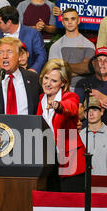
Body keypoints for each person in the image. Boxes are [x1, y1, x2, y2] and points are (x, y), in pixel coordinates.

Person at [36, 58, 86, 192]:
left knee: (73, 204)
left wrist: (59, 106)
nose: (48, 83)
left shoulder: (70, 96)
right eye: (46, 78)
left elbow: (71, 108)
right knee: (52, 204)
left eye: (54, 81)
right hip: (48, 162)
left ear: (63, 83)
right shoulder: (41, 99)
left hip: (71, 160)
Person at [48, 8, 95, 92]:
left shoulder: (89, 44)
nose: (69, 22)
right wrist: (78, 69)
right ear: (62, 22)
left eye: (73, 19)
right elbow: (53, 72)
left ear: (78, 21)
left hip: (83, 90)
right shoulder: (55, 46)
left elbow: (87, 68)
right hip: (61, 91)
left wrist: (63, 65)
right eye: (66, 19)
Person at [79, 97, 107, 176]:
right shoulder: (80, 136)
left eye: (95, 110)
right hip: (85, 185)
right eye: (88, 111)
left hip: (106, 185)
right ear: (85, 115)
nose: (91, 113)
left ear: (102, 111)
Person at [0, 5, 47, 73]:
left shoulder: (33, 33)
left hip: (28, 74)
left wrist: (33, 70)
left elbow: (41, 55)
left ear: (9, 22)